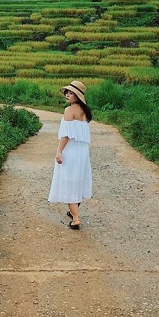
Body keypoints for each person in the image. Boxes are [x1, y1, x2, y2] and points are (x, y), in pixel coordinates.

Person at [48, 80, 93, 230]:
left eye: (71, 93)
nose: (67, 95)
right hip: (82, 151)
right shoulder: (85, 111)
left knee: (68, 183)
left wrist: (59, 151)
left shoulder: (69, 110)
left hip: (71, 151)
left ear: (78, 96)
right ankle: (74, 210)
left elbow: (66, 135)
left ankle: (76, 219)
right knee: (78, 181)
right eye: (67, 92)